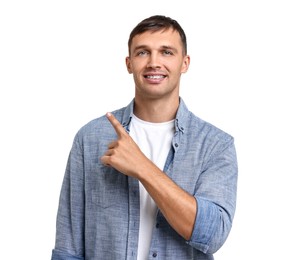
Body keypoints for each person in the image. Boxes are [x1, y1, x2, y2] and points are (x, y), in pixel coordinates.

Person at [51, 15, 238, 260]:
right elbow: (68, 247)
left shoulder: (215, 145)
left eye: (167, 52)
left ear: (185, 62)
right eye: (142, 53)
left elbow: (212, 235)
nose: (154, 62)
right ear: (129, 63)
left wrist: (142, 167)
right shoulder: (90, 138)